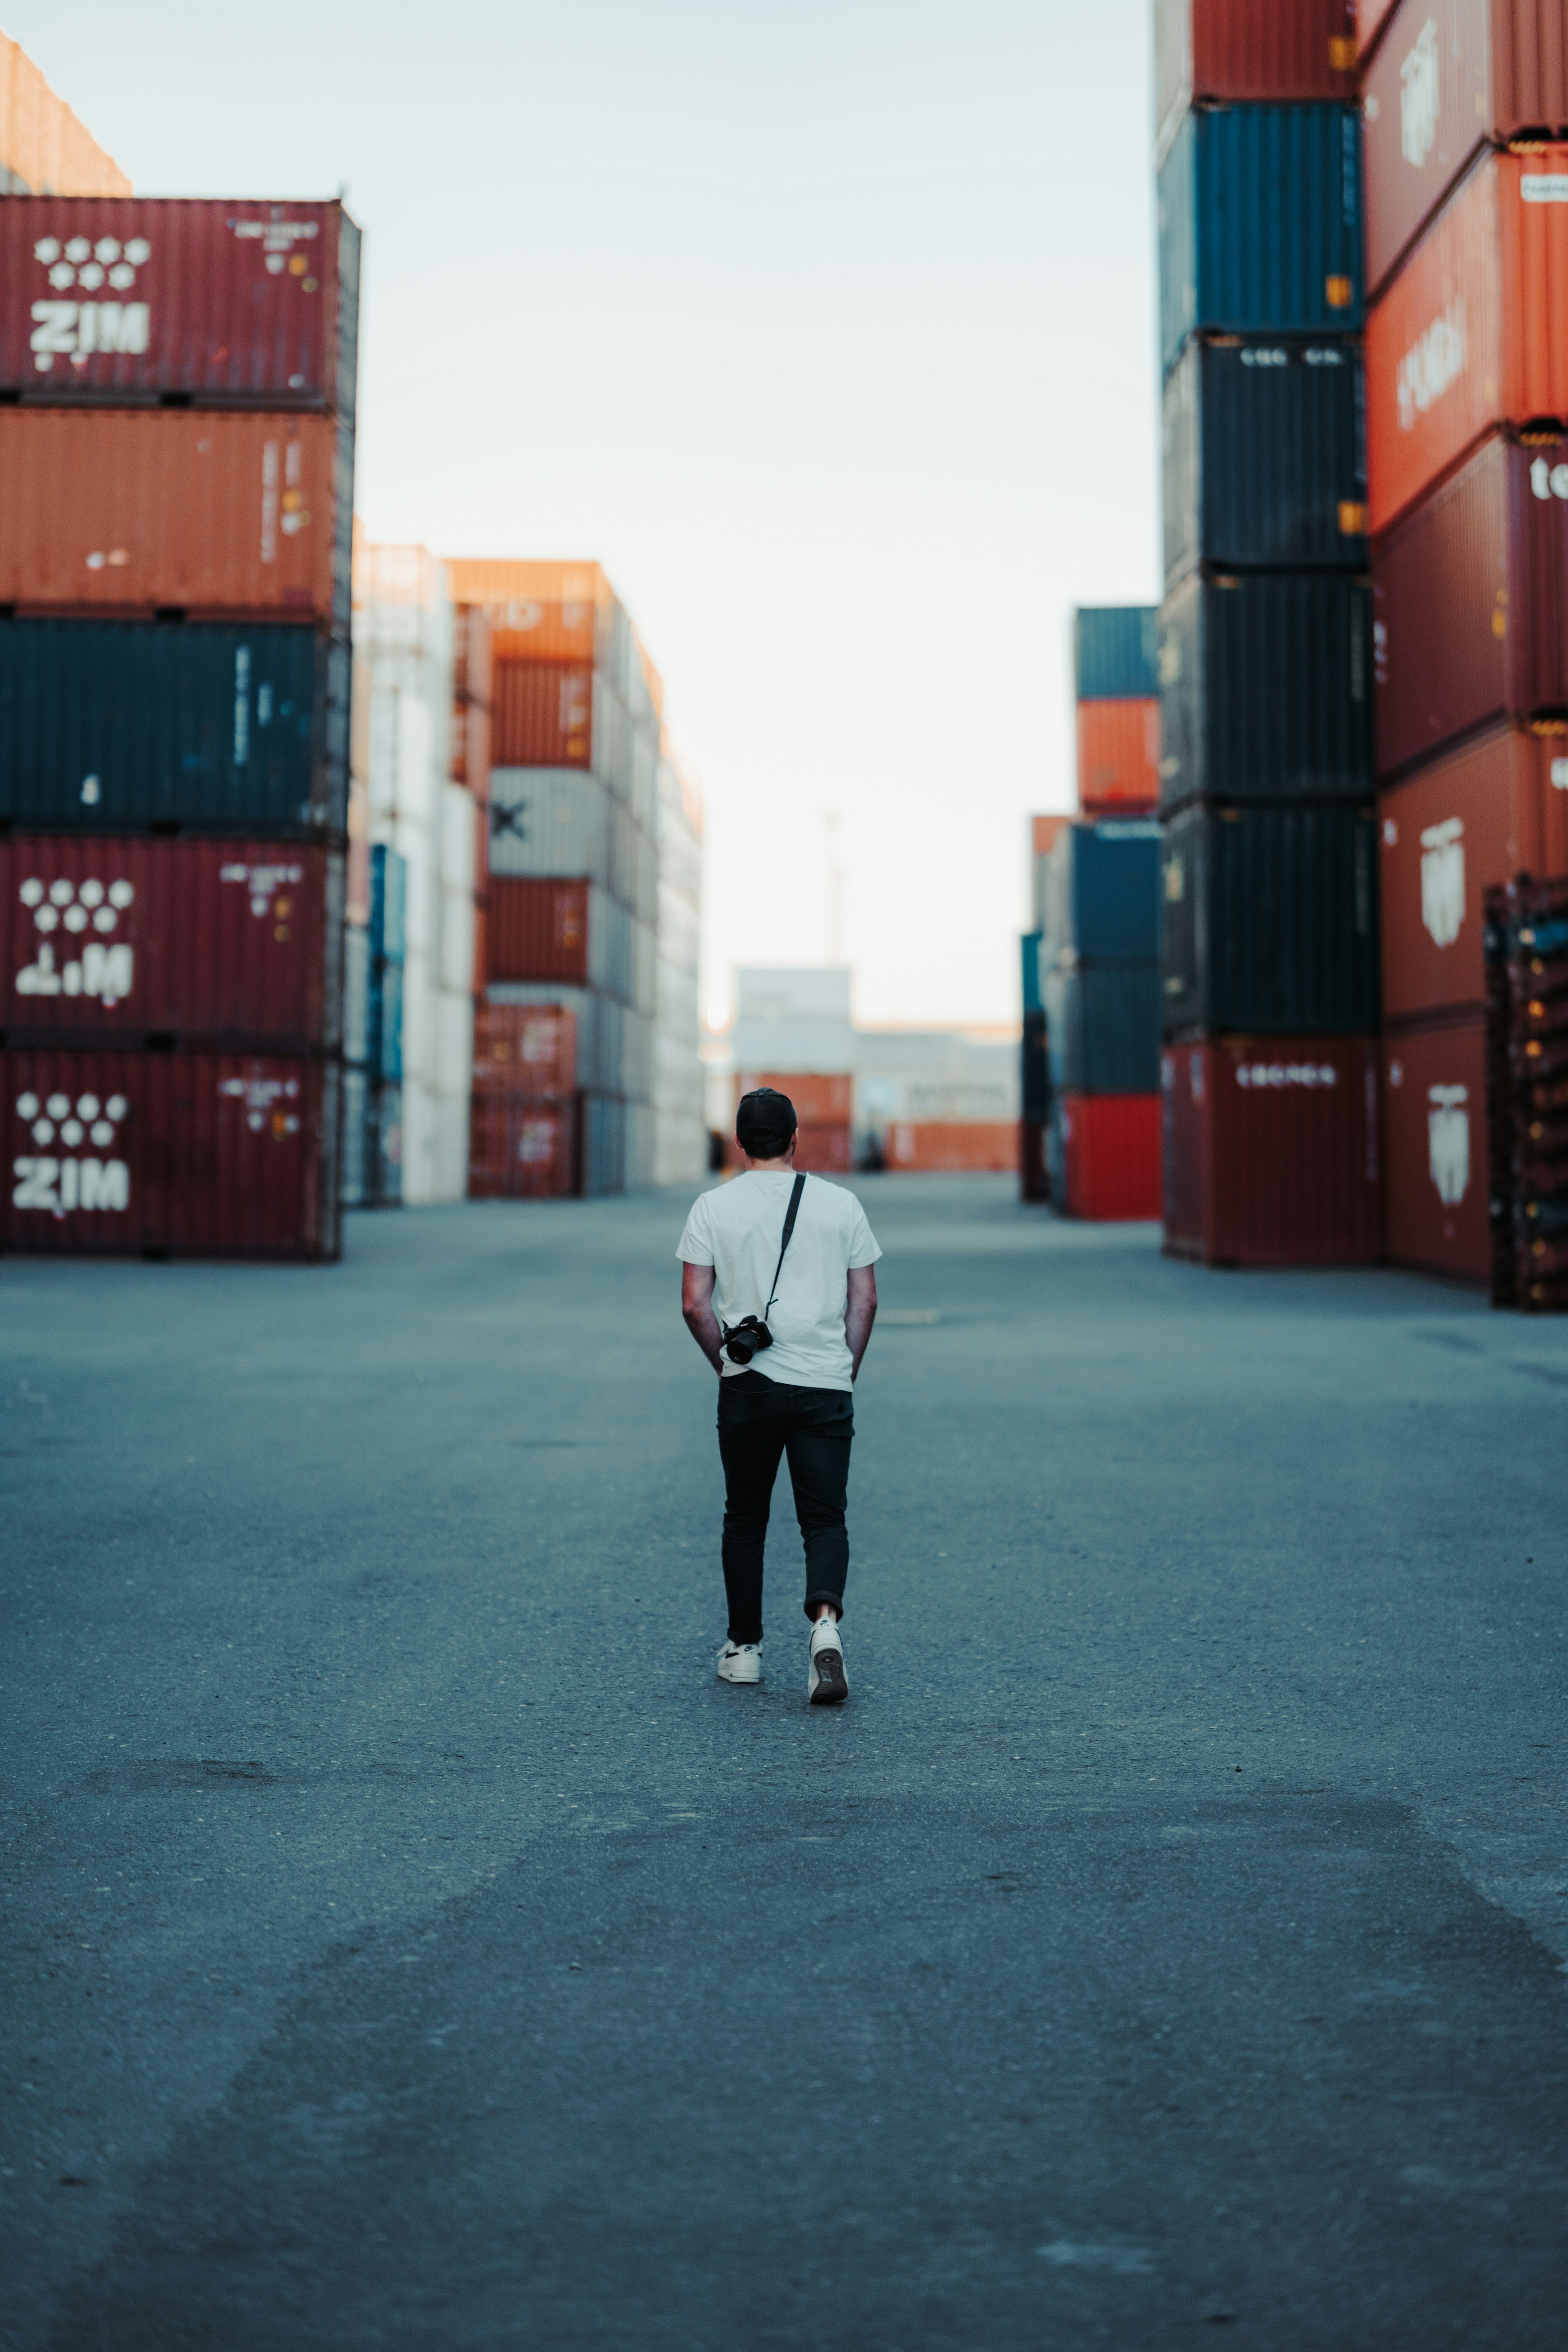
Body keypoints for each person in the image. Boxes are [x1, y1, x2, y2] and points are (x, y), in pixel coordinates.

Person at [677, 1087, 880, 1704]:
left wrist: (725, 1364)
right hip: (824, 1382)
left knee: (745, 1517)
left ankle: (743, 1651)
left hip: (750, 1388)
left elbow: (694, 1302)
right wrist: (842, 1370)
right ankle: (825, 1628)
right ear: (796, 1141)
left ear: (740, 1144)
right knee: (825, 1518)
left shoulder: (712, 1207)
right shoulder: (842, 1205)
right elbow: (866, 1300)